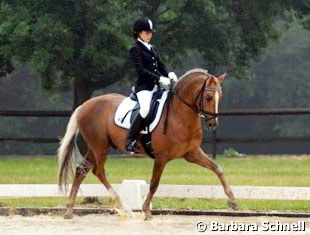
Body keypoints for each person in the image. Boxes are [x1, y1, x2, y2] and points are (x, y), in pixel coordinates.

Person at [126, 17, 178, 153]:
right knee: (144, 110)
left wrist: (168, 74)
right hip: (144, 88)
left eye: (150, 32)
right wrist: (159, 78)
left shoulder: (153, 48)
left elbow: (160, 65)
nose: (149, 35)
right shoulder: (135, 49)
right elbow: (141, 71)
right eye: (146, 32)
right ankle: (130, 140)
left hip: (158, 87)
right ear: (138, 33)